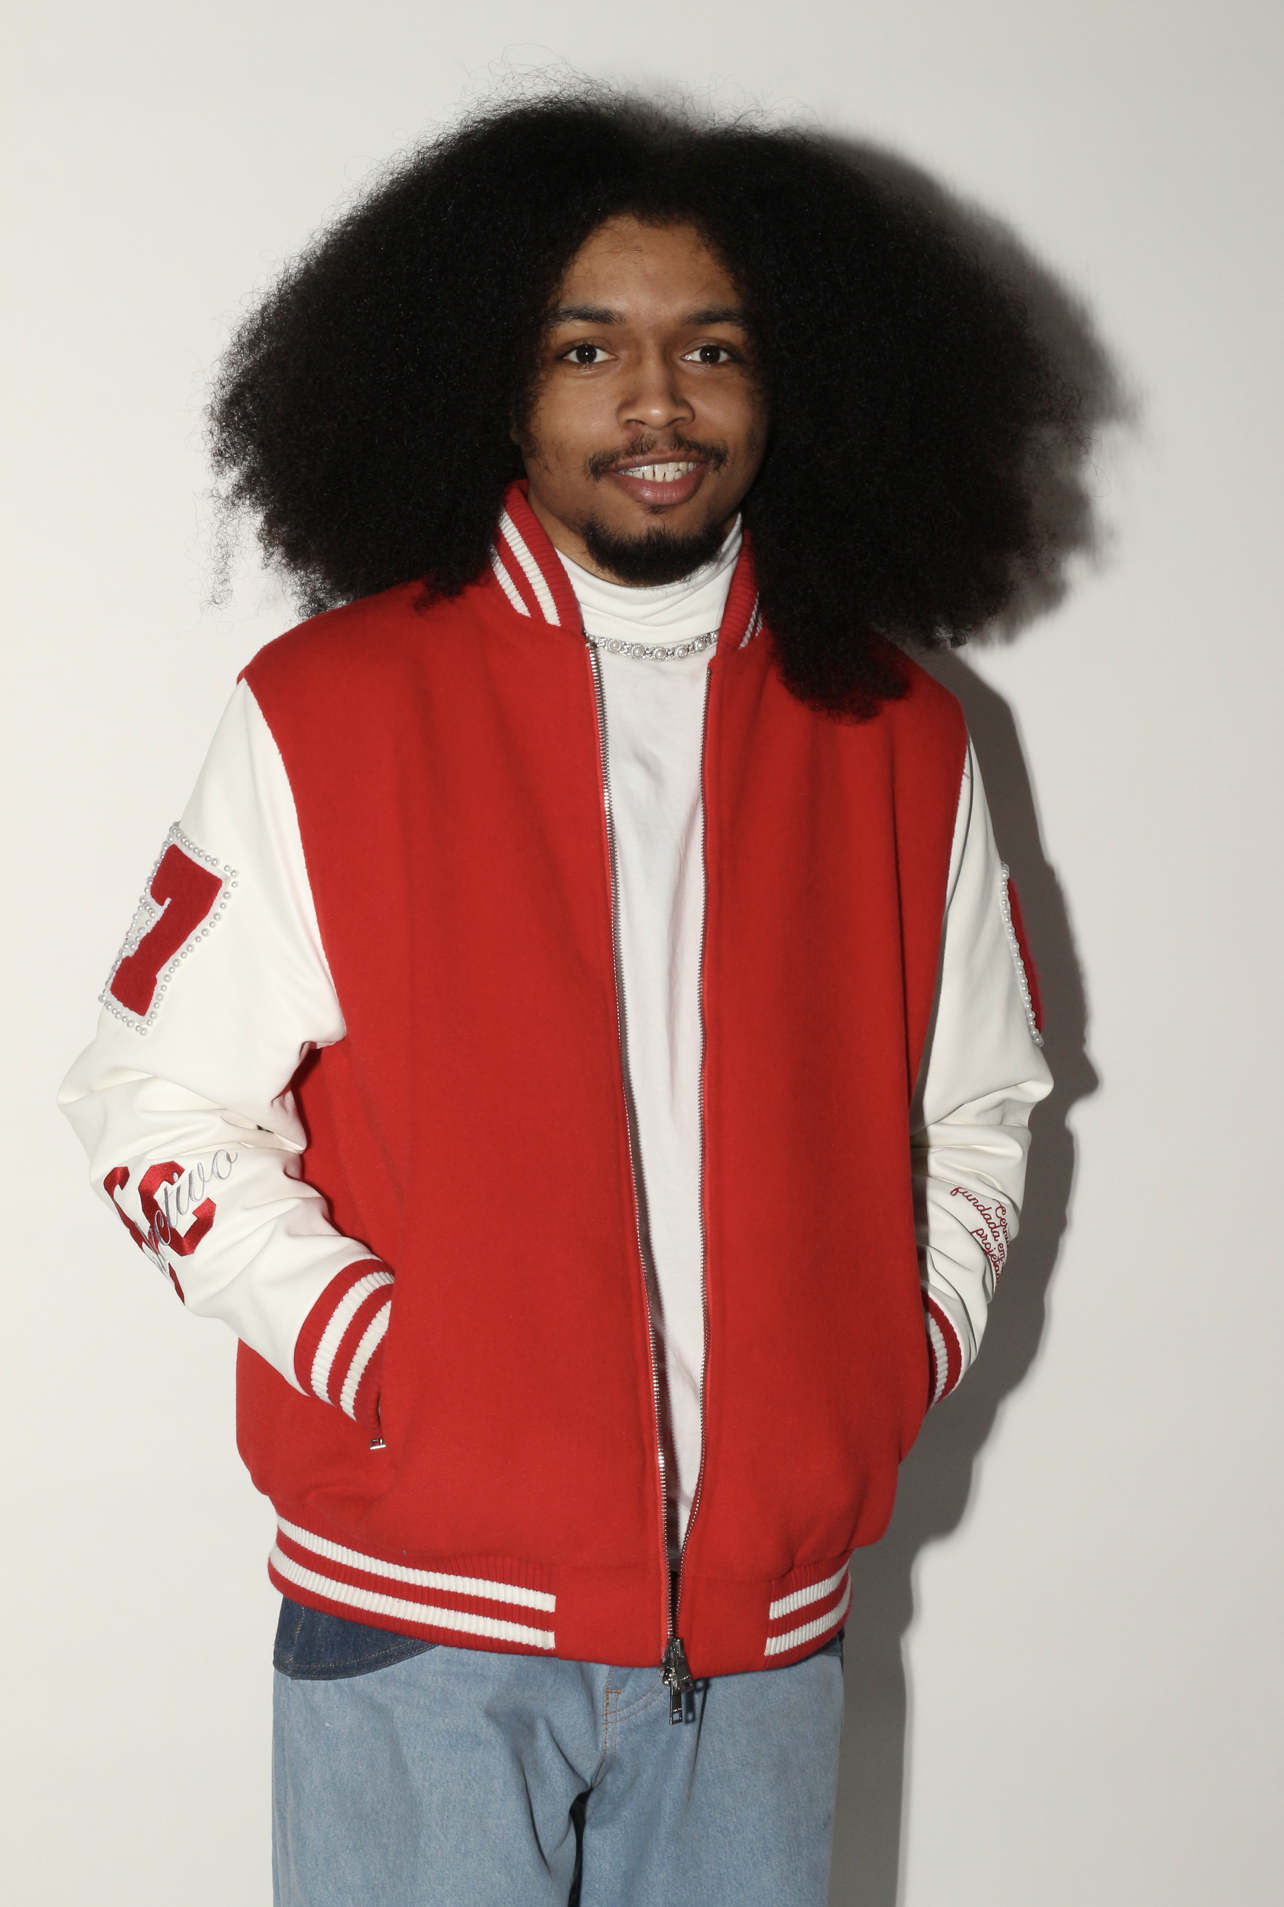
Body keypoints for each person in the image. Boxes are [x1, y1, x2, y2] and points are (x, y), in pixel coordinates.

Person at [60, 90, 1066, 1906]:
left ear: (798, 384)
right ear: (491, 379)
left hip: (762, 1643)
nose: (657, 403)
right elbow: (151, 1101)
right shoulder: (333, 708)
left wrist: (880, 1364)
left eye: (713, 349)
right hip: (419, 1631)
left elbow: (982, 1105)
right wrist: (394, 1366)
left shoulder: (904, 737)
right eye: (587, 347)